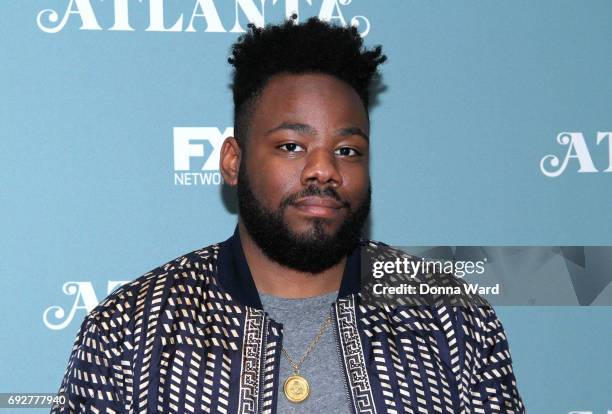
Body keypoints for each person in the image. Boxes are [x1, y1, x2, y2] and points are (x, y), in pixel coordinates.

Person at [52, 16, 524, 414]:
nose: (325, 169)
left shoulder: (450, 318)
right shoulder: (131, 330)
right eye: (292, 146)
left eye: (347, 149)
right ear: (233, 161)